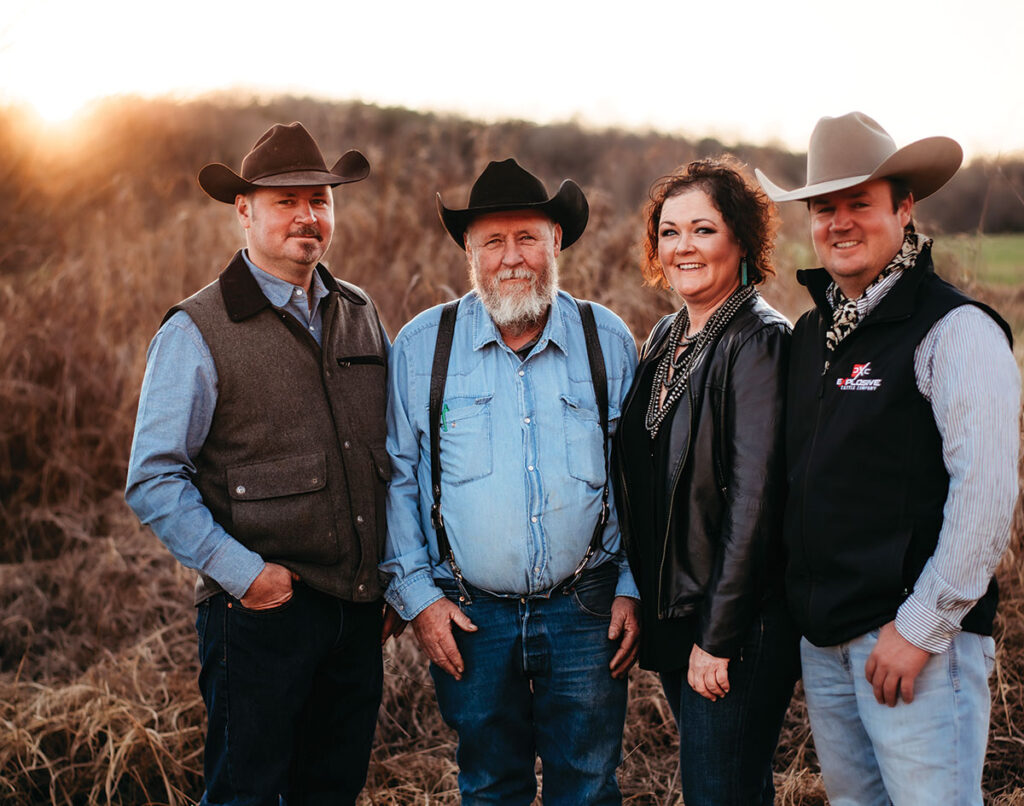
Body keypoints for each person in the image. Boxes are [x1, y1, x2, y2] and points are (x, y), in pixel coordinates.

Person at [756, 111, 1020, 805]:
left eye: (859, 204)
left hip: (915, 647)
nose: (839, 222)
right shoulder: (813, 333)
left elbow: (987, 493)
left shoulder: (955, 329)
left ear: (905, 209)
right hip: (828, 645)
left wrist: (921, 628)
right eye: (824, 208)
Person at [125, 122, 389, 806]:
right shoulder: (197, 328)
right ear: (244, 211)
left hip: (357, 613)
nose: (309, 216)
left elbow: (389, 455)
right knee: (247, 793)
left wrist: (389, 578)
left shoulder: (360, 313)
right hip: (261, 615)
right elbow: (154, 476)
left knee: (332, 791)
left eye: (320, 201)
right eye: (286, 201)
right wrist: (248, 577)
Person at [380, 158, 641, 805]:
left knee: (587, 784)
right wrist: (419, 598)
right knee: (490, 785)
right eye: (493, 241)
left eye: (527, 237)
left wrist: (633, 587)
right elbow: (398, 480)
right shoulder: (422, 347)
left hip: (588, 610)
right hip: (469, 615)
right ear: (469, 251)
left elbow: (642, 480)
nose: (512, 257)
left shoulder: (606, 340)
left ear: (557, 241)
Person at [613, 156, 801, 805]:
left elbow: (755, 501)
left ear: (742, 240)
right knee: (730, 789)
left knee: (718, 791)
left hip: (736, 626)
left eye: (702, 229)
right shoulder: (668, 334)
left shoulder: (759, 341)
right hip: (679, 612)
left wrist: (717, 638)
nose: (682, 247)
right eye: (669, 231)